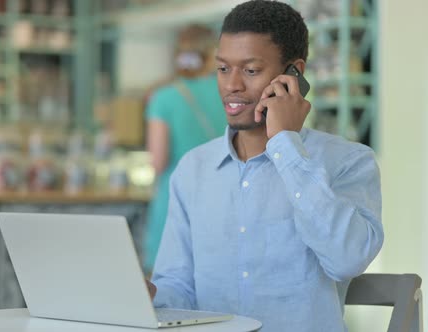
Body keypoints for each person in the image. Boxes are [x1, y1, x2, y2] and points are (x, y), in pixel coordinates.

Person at [146, 1, 384, 331]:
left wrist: (285, 144)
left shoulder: (348, 162)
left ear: (293, 73)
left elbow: (348, 259)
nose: (232, 85)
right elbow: (180, 289)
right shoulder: (193, 170)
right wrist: (144, 296)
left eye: (251, 70)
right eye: (223, 68)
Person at [143, 24, 227, 273]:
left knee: (169, 286)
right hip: (221, 195)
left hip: (174, 199)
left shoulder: (163, 97)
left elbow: (158, 160)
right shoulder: (229, 92)